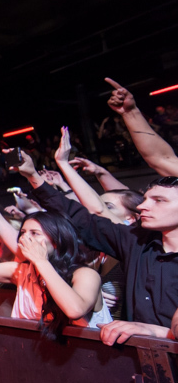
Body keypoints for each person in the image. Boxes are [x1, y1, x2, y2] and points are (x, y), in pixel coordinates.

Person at [15, 147, 178, 344]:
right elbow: (81, 218)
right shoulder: (135, 240)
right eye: (145, 200)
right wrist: (33, 175)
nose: (142, 206)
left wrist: (159, 332)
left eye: (159, 201)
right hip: (137, 355)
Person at [0, 188, 107, 336]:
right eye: (23, 233)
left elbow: (74, 310)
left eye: (34, 233)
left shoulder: (86, 275)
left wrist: (41, 261)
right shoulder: (22, 272)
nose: (25, 238)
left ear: (57, 241)